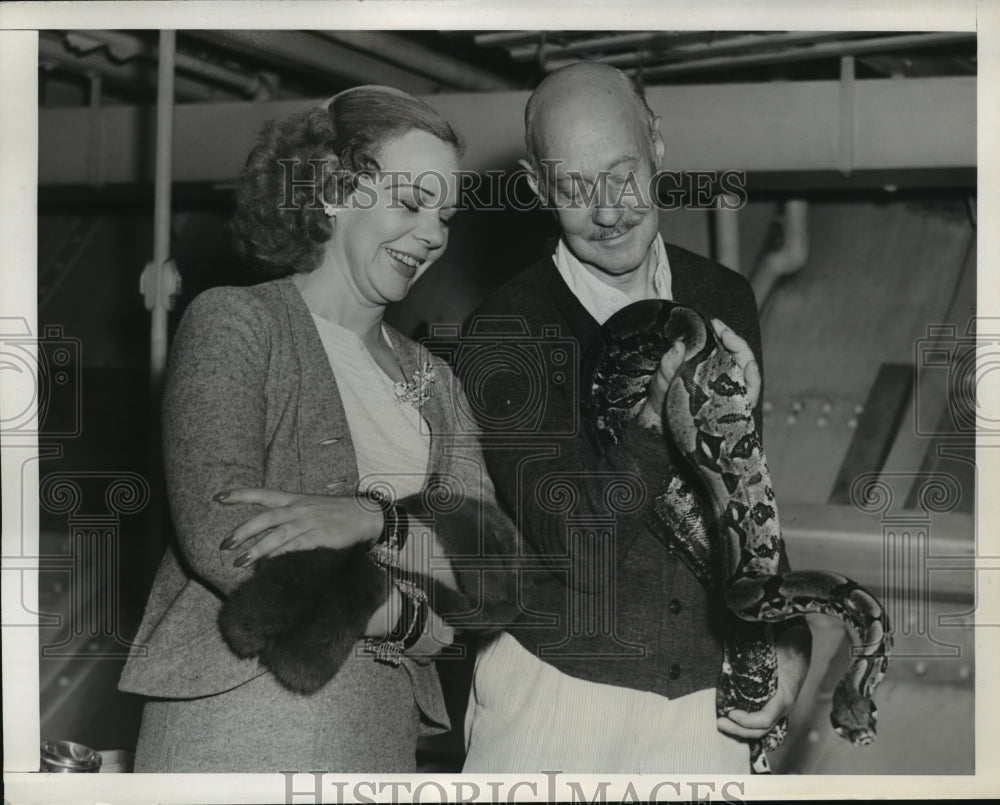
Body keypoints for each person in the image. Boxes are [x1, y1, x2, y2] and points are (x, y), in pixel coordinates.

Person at [119, 85, 516, 773]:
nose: (432, 235)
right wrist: (408, 615)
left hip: (380, 733)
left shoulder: (435, 382)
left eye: (445, 215)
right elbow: (227, 539)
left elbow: (492, 574)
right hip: (238, 723)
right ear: (333, 188)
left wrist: (371, 520)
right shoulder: (238, 323)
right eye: (413, 202)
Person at [459, 63, 811, 773]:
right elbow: (581, 546)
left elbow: (741, 496)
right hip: (556, 702)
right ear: (535, 186)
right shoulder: (507, 330)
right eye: (574, 188)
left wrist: (786, 638)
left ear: (657, 145)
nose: (609, 209)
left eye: (621, 173)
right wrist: (657, 416)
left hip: (704, 713)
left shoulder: (723, 296)